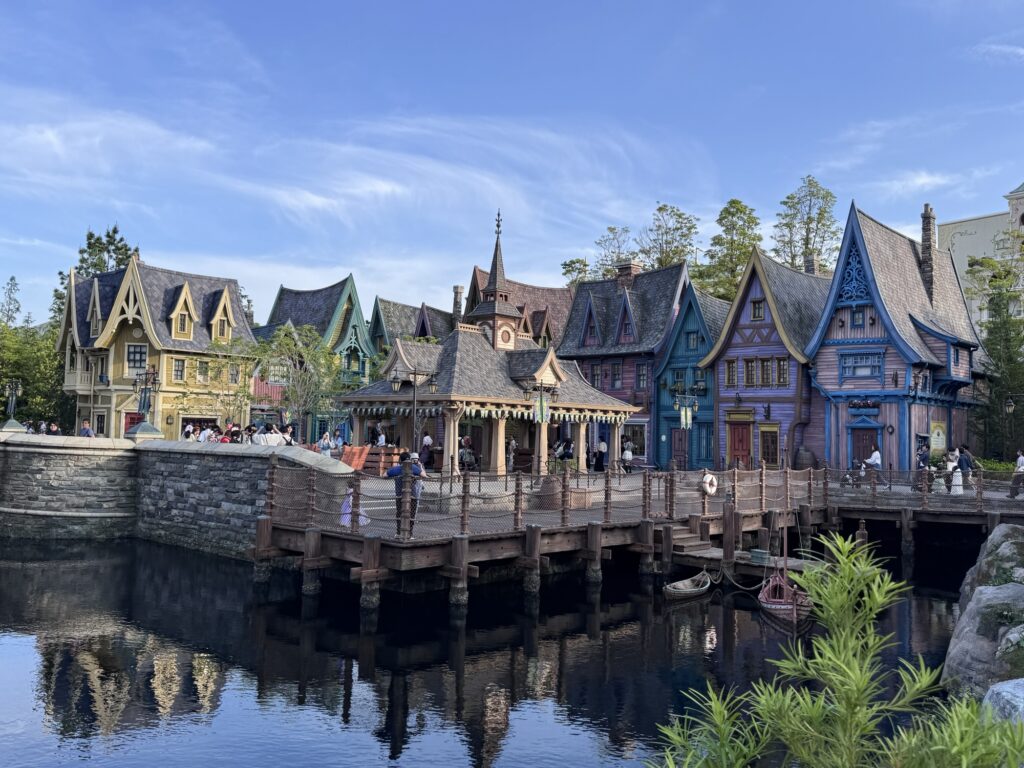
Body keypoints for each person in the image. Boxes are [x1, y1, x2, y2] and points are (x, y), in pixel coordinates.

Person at [385, 451, 424, 537]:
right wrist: (415, 476)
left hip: (400, 495)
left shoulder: (396, 469)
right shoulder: (413, 467)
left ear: (400, 460)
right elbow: (423, 475)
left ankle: (399, 532)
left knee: (399, 513)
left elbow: (384, 475)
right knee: (411, 514)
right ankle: (409, 533)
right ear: (410, 459)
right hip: (412, 495)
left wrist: (394, 475)